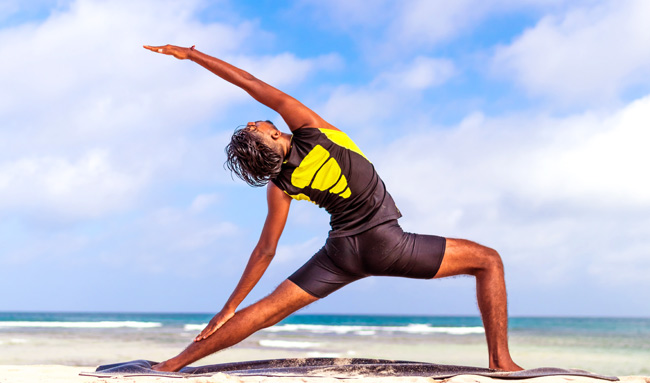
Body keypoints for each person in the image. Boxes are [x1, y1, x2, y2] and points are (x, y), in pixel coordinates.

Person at [142, 44, 522, 372]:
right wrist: (191, 55)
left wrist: (228, 308)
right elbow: (252, 84)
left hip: (340, 254)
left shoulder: (280, 185)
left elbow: (266, 250)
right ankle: (500, 361)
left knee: (265, 312)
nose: (252, 120)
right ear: (274, 134)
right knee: (488, 260)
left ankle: (171, 364)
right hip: (387, 243)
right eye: (254, 127)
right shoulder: (312, 130)